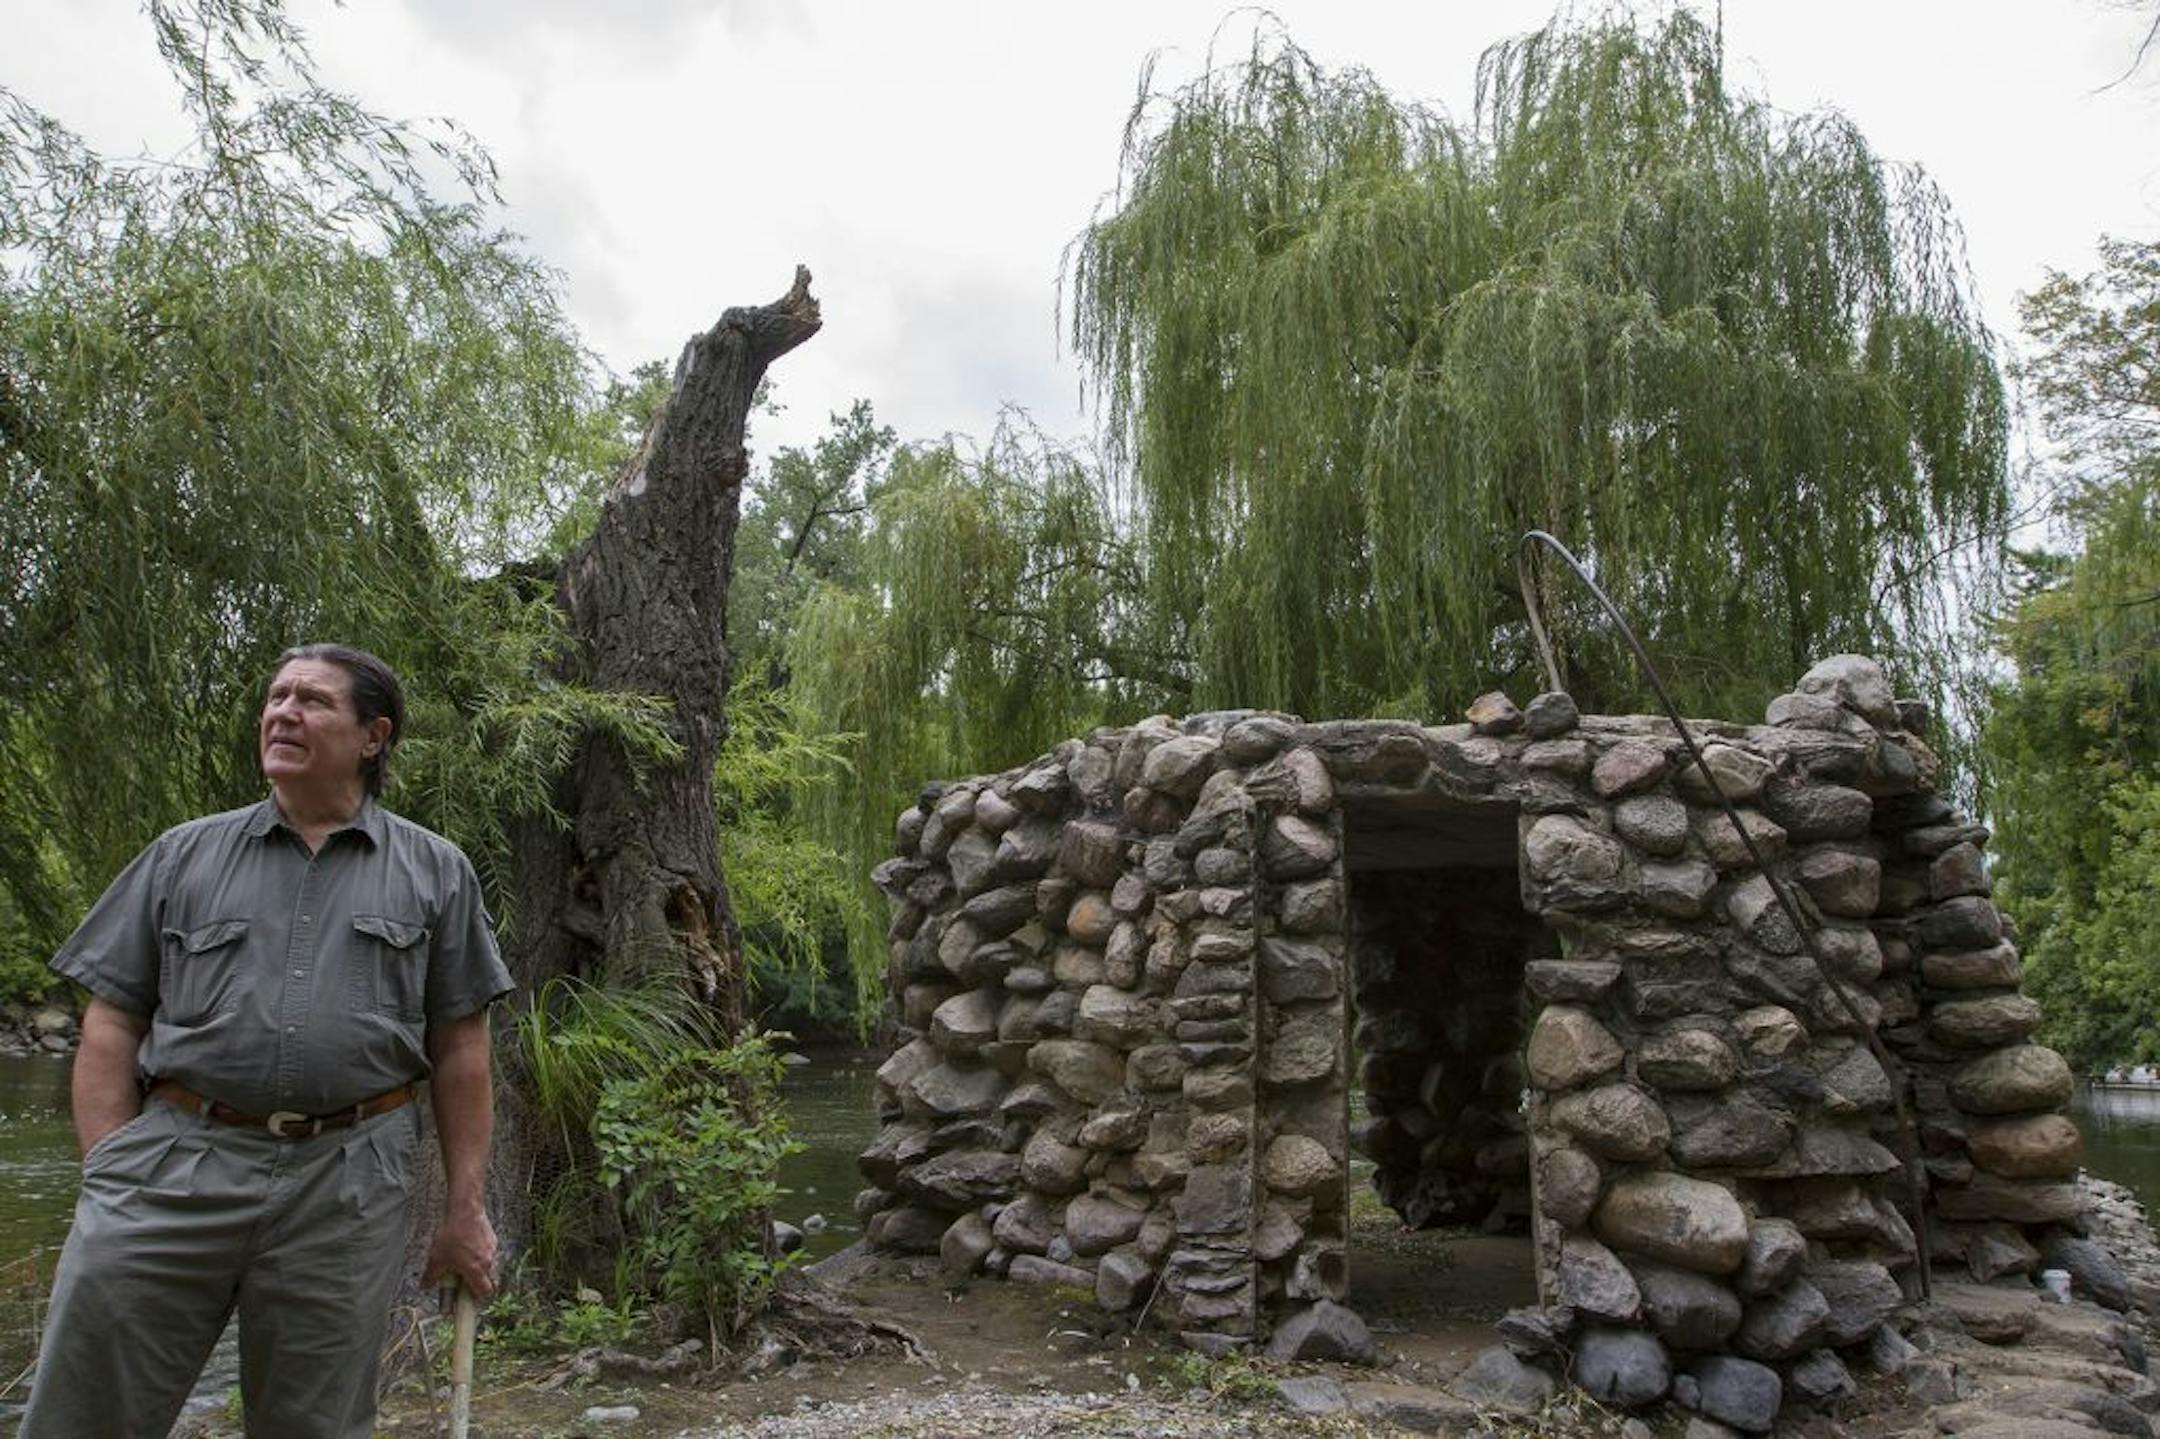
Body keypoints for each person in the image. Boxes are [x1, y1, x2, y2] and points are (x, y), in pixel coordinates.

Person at [20, 643, 515, 1438]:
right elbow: (112, 1022)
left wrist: (463, 1210)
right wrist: (112, 1168)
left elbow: (461, 1048)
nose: (282, 712)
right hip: (174, 1166)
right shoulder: (183, 854)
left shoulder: (436, 871)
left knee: (315, 1423)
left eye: (311, 701)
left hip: (349, 1183)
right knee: (86, 1410)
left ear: (372, 735)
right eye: (276, 697)